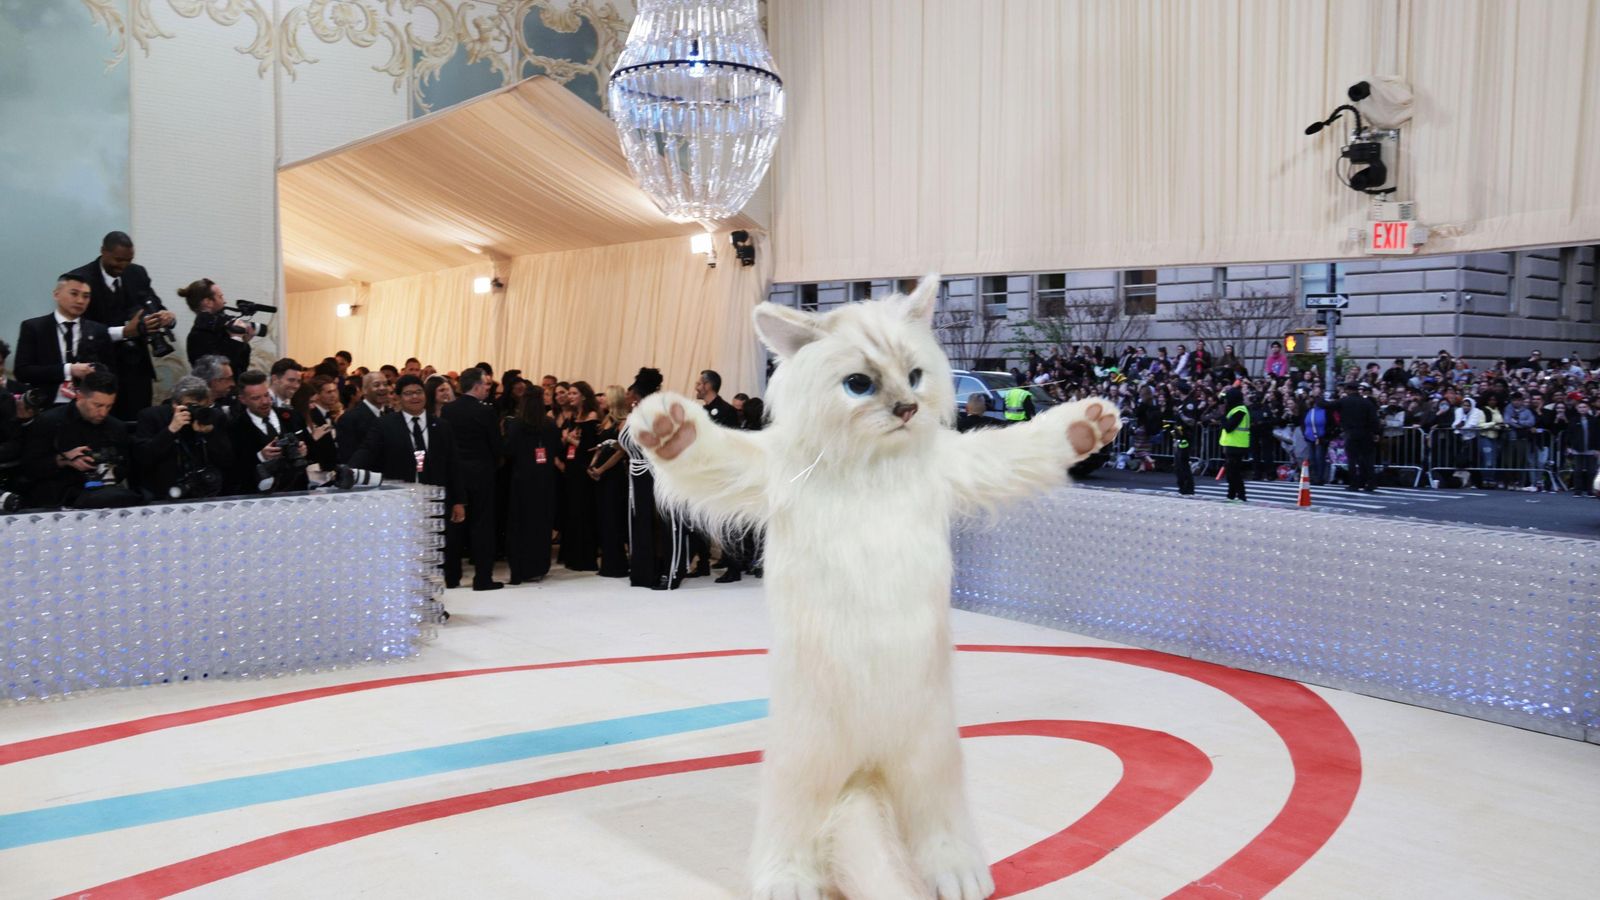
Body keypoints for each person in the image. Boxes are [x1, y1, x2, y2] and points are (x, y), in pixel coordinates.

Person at [65, 232, 177, 420]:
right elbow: (78, 328)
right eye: (118, 260)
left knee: (138, 422)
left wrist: (166, 317)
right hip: (98, 369)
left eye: (128, 260)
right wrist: (124, 332)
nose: (123, 265)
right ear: (103, 251)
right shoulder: (80, 279)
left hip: (137, 370)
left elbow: (153, 303)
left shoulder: (137, 273)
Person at [22, 370, 139, 508]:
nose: (103, 413)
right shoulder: (49, 422)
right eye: (98, 405)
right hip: (58, 498)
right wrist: (63, 460)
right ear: (80, 396)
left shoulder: (116, 427)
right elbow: (29, 468)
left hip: (105, 496)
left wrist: (108, 467)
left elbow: (125, 467)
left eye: (109, 406)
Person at [13, 273, 124, 406]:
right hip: (46, 403)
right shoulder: (34, 328)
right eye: (74, 294)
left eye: (86, 296)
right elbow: (22, 372)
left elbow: (110, 373)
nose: (80, 301)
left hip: (86, 405)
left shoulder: (98, 330)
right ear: (56, 294)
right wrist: (68, 370)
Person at [439, 367, 503, 591]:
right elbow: (496, 445)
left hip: (455, 474)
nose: (488, 388)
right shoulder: (486, 411)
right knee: (482, 525)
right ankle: (483, 578)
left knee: (455, 524)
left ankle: (452, 576)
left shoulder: (448, 410)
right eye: (485, 384)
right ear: (476, 386)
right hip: (481, 474)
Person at [621, 367, 683, 590]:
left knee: (665, 522)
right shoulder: (635, 415)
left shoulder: (658, 414)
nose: (626, 395)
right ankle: (645, 571)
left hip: (658, 473)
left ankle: (670, 572)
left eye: (629, 392)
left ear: (635, 394)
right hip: (638, 475)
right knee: (643, 522)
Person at [132, 375, 232, 501]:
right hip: (163, 493)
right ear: (175, 404)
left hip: (204, 491)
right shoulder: (152, 417)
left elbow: (227, 461)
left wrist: (210, 434)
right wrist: (171, 430)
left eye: (201, 407)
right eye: (191, 406)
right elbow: (143, 458)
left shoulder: (213, 417)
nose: (196, 411)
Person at [504, 390, 563, 583]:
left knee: (520, 523)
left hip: (522, 479)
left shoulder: (515, 424)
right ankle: (538, 565)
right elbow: (558, 449)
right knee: (541, 522)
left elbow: (509, 450)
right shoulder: (550, 424)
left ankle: (519, 567)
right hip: (544, 479)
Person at [228, 370, 308, 494]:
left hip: (297, 492)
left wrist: (304, 451)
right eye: (256, 398)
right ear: (242, 399)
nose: (265, 401)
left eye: (266, 395)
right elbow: (234, 470)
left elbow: (315, 452)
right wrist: (261, 457)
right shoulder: (235, 428)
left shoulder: (292, 416)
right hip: (258, 496)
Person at [559, 380, 602, 572]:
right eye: (569, 393)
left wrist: (570, 439)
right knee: (572, 511)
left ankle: (584, 558)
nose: (570, 397)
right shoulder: (573, 416)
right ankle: (572, 555)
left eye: (574, 393)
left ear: (584, 396)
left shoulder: (592, 416)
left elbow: (590, 448)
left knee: (583, 511)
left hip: (583, 469)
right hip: (571, 468)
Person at [590, 385, 631, 579]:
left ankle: (617, 564)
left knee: (613, 518)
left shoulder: (623, 422)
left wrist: (602, 469)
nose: (601, 399)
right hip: (601, 475)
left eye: (605, 396)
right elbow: (600, 447)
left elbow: (621, 451)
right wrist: (593, 465)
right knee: (603, 518)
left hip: (614, 476)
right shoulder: (606, 420)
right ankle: (608, 562)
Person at [179, 278, 256, 377]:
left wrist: (243, 342)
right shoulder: (198, 336)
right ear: (208, 302)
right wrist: (236, 338)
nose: (225, 301)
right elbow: (220, 373)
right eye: (220, 297)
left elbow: (240, 368)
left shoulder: (222, 329)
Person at [337, 372, 391, 464]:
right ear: (364, 390)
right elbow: (349, 457)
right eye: (376, 385)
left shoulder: (391, 414)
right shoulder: (350, 418)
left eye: (385, 384)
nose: (382, 388)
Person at [1337, 383, 1382, 492]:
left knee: (1352, 459)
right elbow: (1374, 419)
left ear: (1348, 390)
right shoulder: (1366, 402)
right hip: (1366, 433)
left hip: (1351, 432)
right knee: (1367, 459)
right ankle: (1370, 483)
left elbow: (1330, 406)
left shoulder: (1345, 401)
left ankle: (1354, 483)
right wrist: (1376, 432)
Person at [1164, 383, 1200, 495]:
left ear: (1180, 391)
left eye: (1177, 390)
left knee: (1183, 462)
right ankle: (1182, 486)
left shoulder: (1190, 404)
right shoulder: (1182, 403)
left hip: (1186, 437)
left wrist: (1181, 414)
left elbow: (1191, 421)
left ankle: (1188, 487)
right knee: (1178, 463)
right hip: (1179, 436)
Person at [1218, 386, 1249, 501]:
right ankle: (1231, 495)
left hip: (1237, 445)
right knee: (1231, 472)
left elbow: (1229, 427)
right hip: (1231, 444)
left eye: (1227, 399)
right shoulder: (1233, 409)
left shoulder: (1240, 410)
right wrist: (1222, 394)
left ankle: (1241, 495)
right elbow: (1220, 399)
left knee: (1234, 473)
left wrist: (1222, 415)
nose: (1225, 401)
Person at [1563, 400, 1598, 496]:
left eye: (1584, 407)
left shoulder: (1594, 420)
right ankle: (1578, 490)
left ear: (1588, 408)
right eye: (1580, 407)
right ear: (1577, 409)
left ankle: (1591, 490)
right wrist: (1568, 446)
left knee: (1592, 471)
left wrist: (1598, 449)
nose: (1582, 409)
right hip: (1577, 448)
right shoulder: (1573, 420)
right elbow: (1569, 434)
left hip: (1591, 448)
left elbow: (1597, 434)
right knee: (1577, 470)